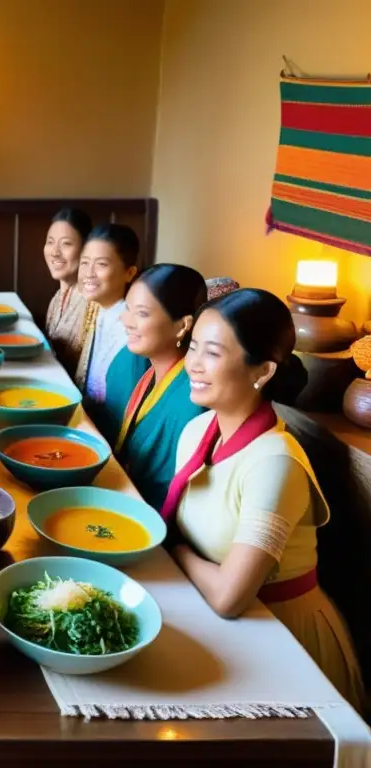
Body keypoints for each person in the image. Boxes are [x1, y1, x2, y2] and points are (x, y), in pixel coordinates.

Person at [167, 288, 364, 711]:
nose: (193, 365)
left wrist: (176, 552)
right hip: (220, 625)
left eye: (213, 353)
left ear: (263, 370)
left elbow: (229, 596)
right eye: (193, 347)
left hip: (282, 639)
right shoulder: (196, 432)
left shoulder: (276, 464)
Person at [101, 264, 207, 509]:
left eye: (142, 313)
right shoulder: (139, 363)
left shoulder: (191, 399)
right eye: (127, 308)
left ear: (182, 325)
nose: (125, 321)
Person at [74, 223, 140, 417]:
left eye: (101, 264)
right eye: (84, 262)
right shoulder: (96, 311)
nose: (88, 273)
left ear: (129, 273)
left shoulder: (132, 329)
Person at [43, 208, 93, 374]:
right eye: (50, 242)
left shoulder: (91, 304)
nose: (55, 252)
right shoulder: (57, 299)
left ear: (86, 249)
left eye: (66, 244)